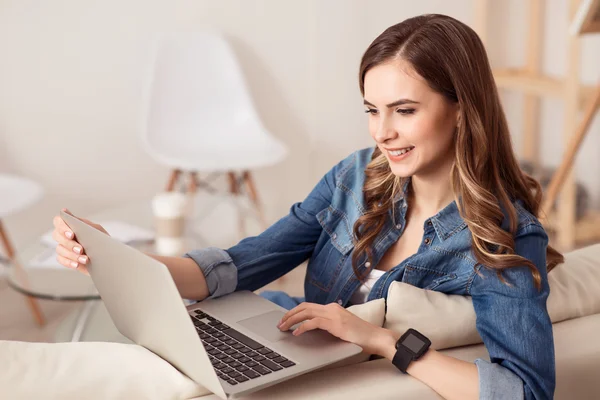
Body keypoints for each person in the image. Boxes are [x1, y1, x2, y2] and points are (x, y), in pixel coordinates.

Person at [53, 14, 562, 400]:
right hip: (279, 339)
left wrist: (383, 340)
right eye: (372, 110)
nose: (382, 132)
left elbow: (525, 389)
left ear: (461, 111)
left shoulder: (503, 235)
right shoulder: (354, 176)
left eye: (404, 111)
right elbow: (240, 265)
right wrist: (115, 256)